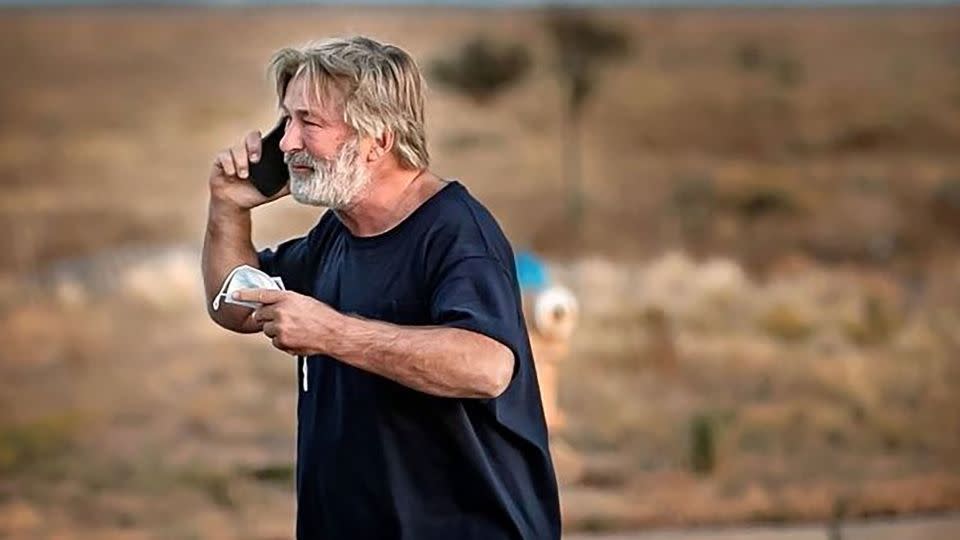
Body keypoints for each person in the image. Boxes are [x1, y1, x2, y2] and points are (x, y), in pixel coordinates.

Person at [200, 36, 560, 539]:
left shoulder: (456, 232)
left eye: (310, 123)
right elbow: (234, 304)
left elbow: (488, 366)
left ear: (379, 139)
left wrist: (332, 334)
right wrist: (228, 208)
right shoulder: (337, 233)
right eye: (287, 120)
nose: (285, 144)